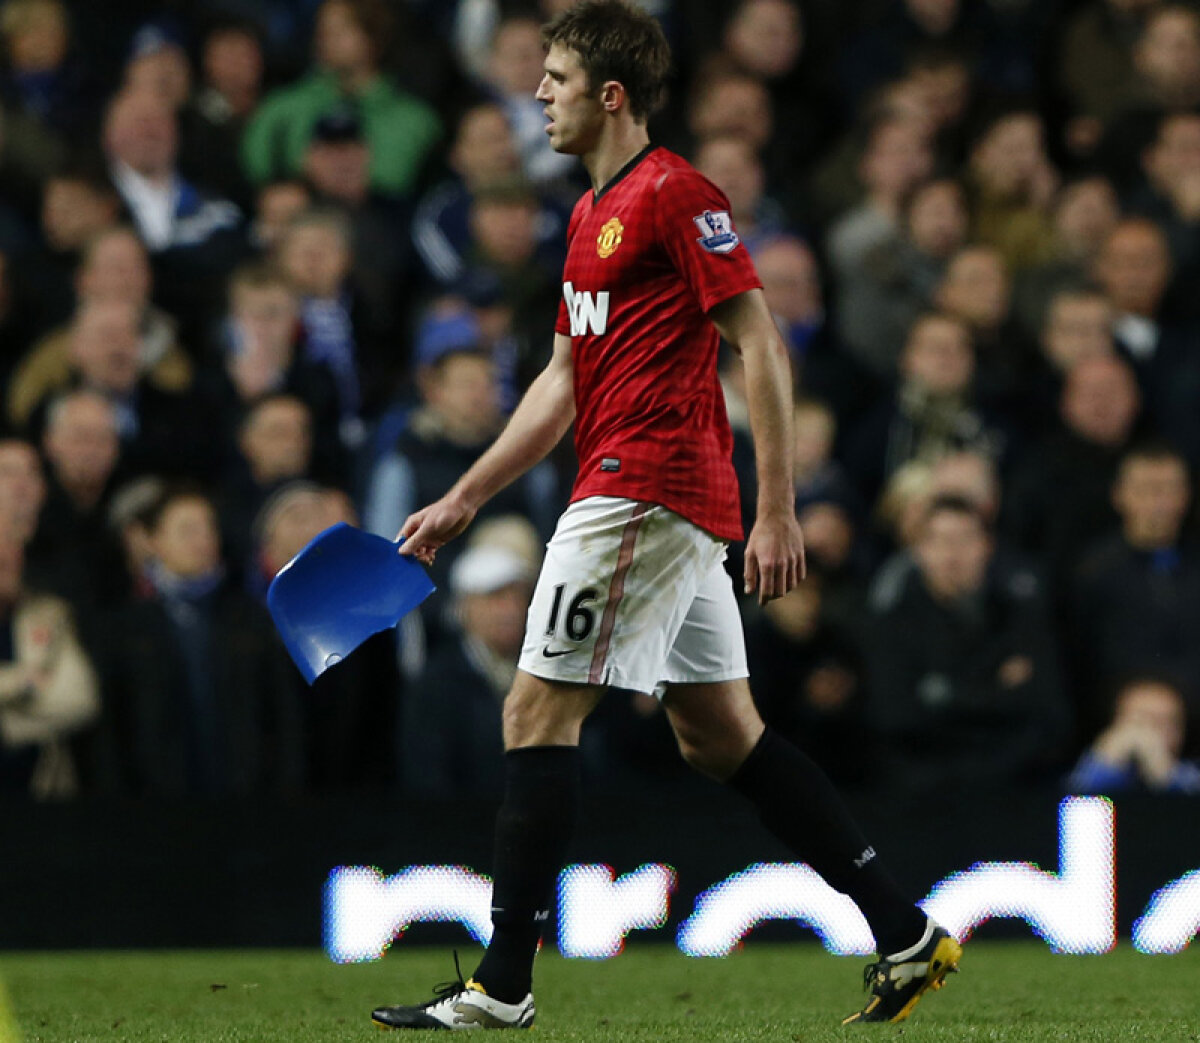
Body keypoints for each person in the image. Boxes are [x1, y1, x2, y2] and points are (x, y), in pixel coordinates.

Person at [369, 2, 959, 1031]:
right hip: (647, 492)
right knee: (721, 734)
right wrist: (467, 494)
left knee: (534, 711)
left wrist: (779, 507)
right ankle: (907, 933)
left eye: (555, 78)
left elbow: (760, 343)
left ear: (610, 95)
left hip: (645, 486)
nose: (537, 94)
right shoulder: (588, 212)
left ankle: (502, 984)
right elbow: (563, 379)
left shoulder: (676, 193)